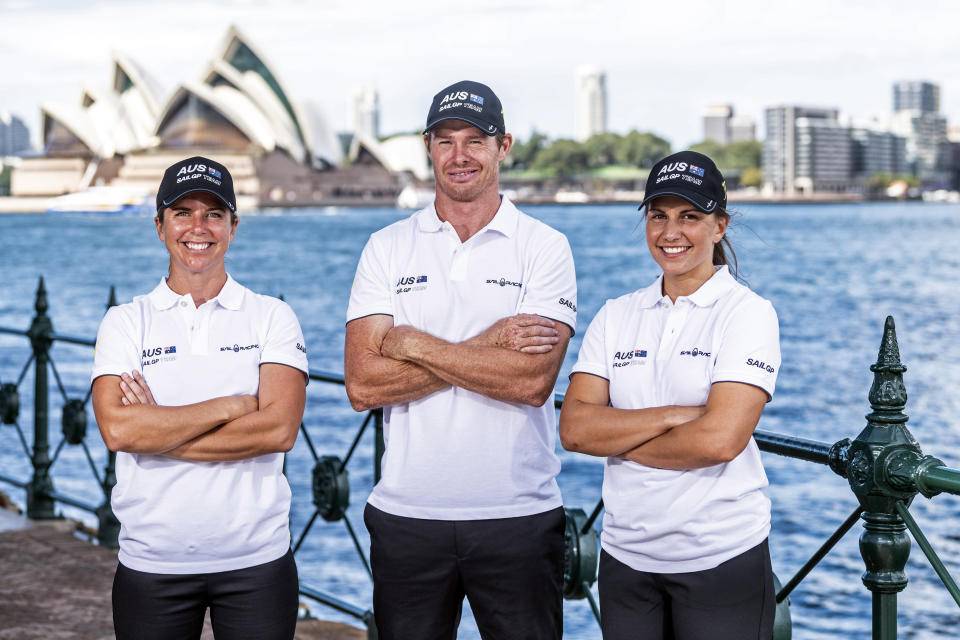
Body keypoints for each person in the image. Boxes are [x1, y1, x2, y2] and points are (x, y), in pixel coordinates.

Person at [344, 80, 577, 639]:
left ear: (505, 146)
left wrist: (412, 342)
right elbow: (362, 385)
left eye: (476, 139)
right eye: (446, 140)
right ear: (427, 146)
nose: (459, 155)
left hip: (517, 516)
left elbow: (530, 381)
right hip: (406, 517)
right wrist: (488, 342)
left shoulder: (544, 246)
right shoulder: (387, 245)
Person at [559, 150, 780, 639]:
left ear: (720, 226)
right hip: (625, 559)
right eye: (658, 215)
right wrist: (678, 415)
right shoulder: (618, 314)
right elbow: (574, 430)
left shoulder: (747, 314)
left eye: (690, 217)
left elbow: (719, 442)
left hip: (719, 556)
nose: (670, 232)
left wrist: (618, 438)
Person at [90, 156, 308, 640]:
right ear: (159, 226)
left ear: (234, 225)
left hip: (257, 563)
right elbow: (119, 430)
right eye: (182, 213)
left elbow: (279, 429)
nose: (198, 227)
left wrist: (158, 429)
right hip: (152, 562)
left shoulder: (272, 317)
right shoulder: (126, 321)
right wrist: (231, 406)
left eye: (213, 214)